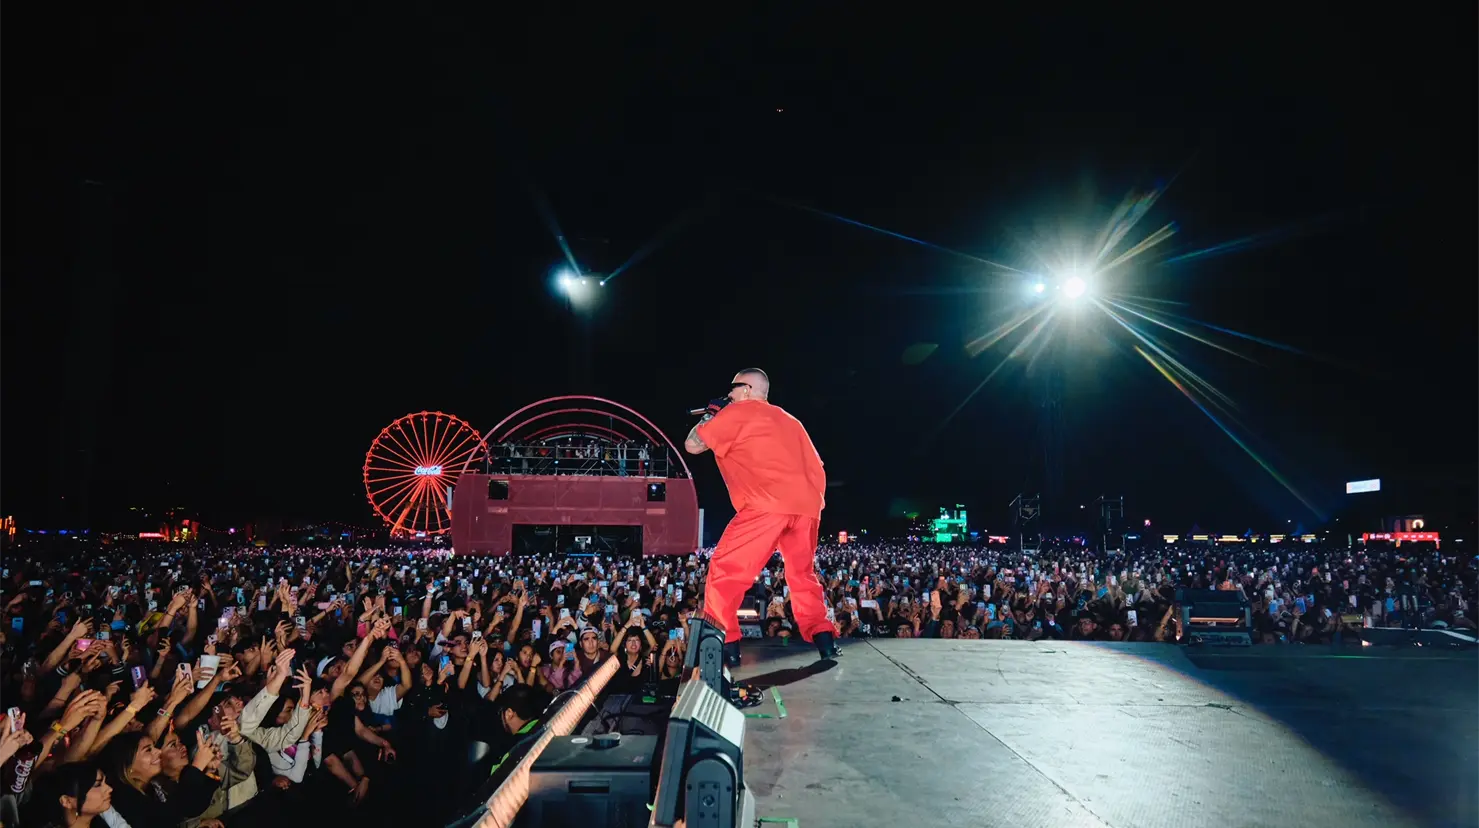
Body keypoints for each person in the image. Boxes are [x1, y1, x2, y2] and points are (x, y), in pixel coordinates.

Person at [685, 368, 840, 663]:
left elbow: (692, 445)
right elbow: (817, 464)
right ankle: (824, 639)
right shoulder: (791, 420)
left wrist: (712, 415)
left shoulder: (737, 412)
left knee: (725, 571)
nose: (728, 394)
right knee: (802, 574)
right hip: (807, 507)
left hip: (767, 504)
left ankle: (726, 646)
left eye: (732, 388)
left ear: (746, 390)